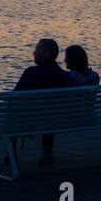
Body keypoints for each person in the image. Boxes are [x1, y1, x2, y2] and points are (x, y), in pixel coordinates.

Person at [11, 38, 76, 166]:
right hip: (57, 119)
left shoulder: (31, 73)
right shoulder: (65, 76)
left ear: (46, 54)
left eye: (37, 49)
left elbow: (14, 97)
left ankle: (11, 153)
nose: (34, 53)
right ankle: (47, 152)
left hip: (31, 120)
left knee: (12, 113)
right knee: (49, 112)